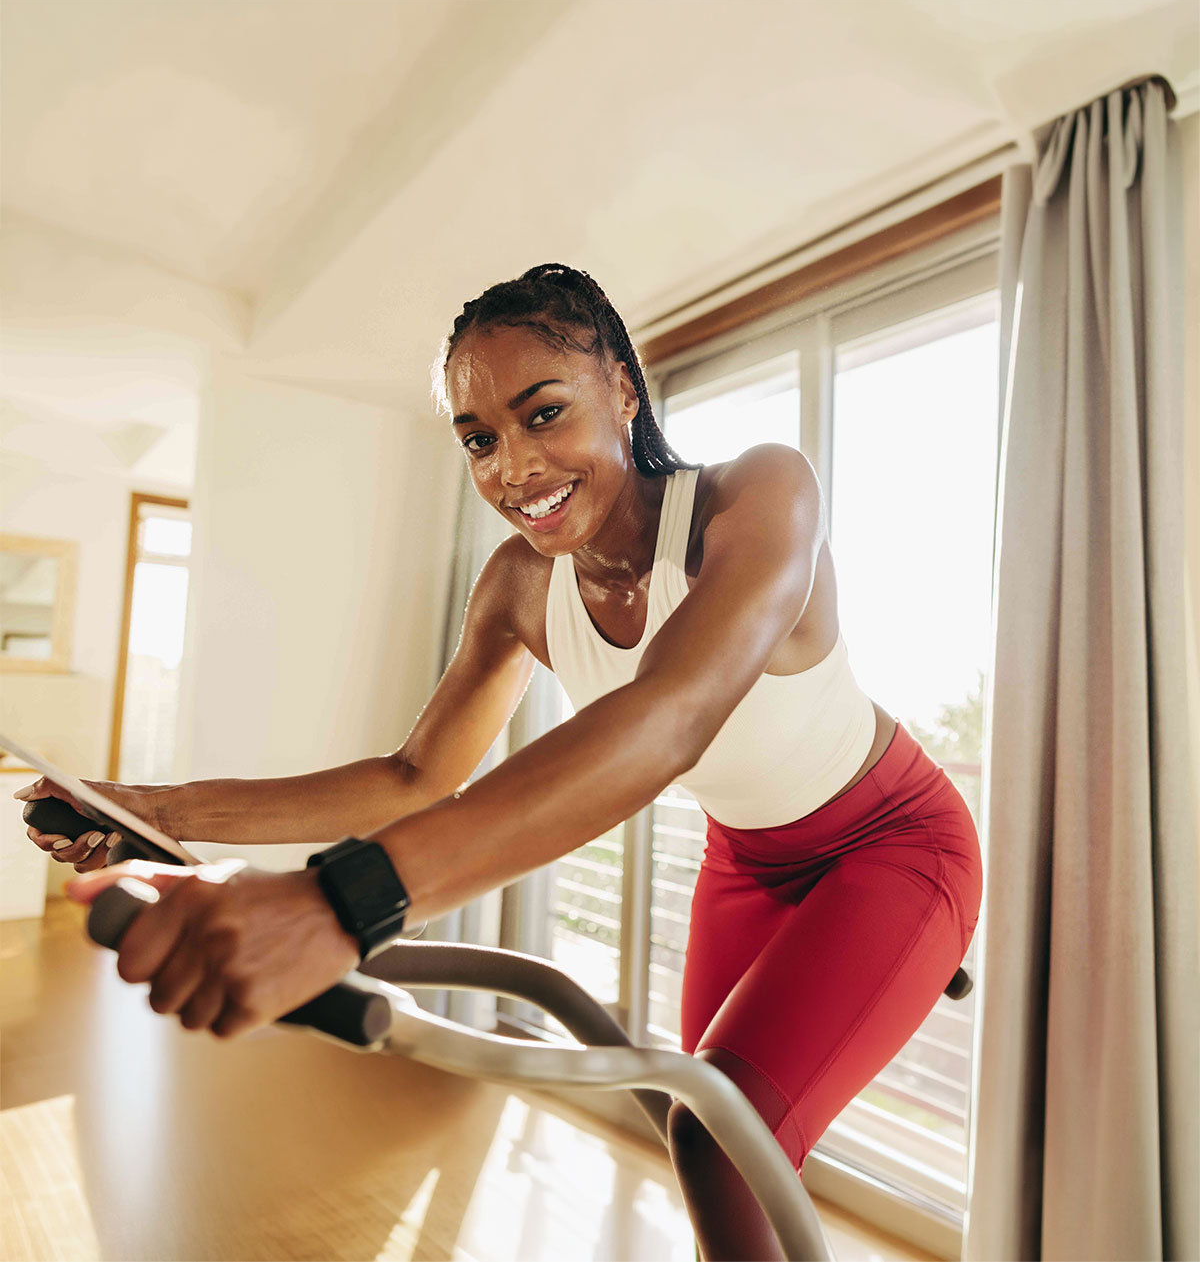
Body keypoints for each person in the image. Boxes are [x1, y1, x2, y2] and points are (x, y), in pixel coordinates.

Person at [18, 262, 982, 1261]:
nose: (513, 467)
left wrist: (338, 901)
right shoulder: (522, 585)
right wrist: (155, 809)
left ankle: (915, 940)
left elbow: (673, 713)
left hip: (892, 840)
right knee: (706, 1125)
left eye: (544, 413)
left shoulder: (758, 493)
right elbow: (414, 775)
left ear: (621, 387)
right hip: (744, 859)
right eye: (480, 438)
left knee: (718, 1139)